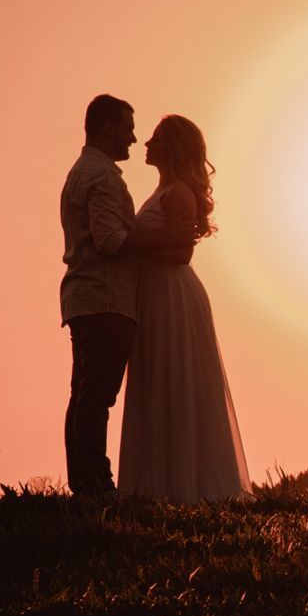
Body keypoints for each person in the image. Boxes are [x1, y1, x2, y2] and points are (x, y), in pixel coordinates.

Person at [58, 94, 195, 495]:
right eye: (128, 129)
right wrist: (167, 237)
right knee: (96, 397)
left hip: (89, 297)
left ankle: (86, 481)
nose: (134, 139)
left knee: (85, 395)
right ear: (107, 129)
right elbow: (109, 239)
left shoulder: (86, 171)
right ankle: (95, 484)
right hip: (105, 298)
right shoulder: (101, 176)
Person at [117, 115, 250, 502]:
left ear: (173, 148)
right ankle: (158, 484)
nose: (146, 144)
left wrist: (135, 245)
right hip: (154, 294)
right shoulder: (162, 192)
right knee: (157, 379)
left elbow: (182, 253)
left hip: (173, 295)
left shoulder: (178, 193)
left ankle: (188, 484)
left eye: (156, 139)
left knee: (177, 379)